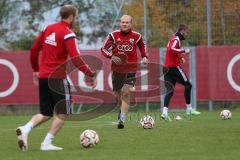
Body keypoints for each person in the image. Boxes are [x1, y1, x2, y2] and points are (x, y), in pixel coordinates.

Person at [16, 5, 96, 151]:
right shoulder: (68, 33)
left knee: (45, 113)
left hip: (43, 76)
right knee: (63, 112)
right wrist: (90, 73)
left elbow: (34, 50)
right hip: (57, 78)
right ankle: (46, 143)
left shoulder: (47, 28)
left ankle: (25, 129)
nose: (75, 19)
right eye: (75, 16)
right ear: (71, 17)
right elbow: (76, 58)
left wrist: (35, 69)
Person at [101, 15, 148, 129]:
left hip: (131, 69)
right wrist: (111, 56)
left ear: (131, 24)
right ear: (120, 23)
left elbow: (142, 46)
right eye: (122, 22)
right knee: (117, 94)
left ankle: (122, 119)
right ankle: (121, 109)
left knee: (126, 92)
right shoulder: (113, 35)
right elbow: (103, 49)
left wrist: (144, 56)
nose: (124, 24)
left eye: (127, 22)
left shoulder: (136, 36)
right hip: (117, 70)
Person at [161, 24, 201, 120]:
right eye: (186, 32)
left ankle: (164, 112)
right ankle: (189, 109)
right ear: (182, 31)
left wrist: (180, 57)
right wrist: (184, 51)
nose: (186, 34)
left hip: (166, 68)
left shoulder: (174, 38)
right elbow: (172, 49)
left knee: (170, 90)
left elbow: (172, 52)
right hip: (173, 68)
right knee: (188, 85)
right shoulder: (176, 39)